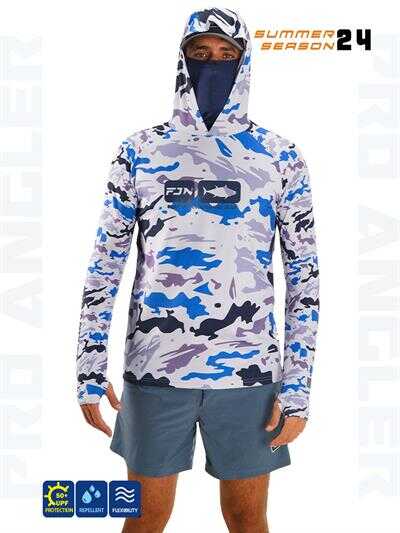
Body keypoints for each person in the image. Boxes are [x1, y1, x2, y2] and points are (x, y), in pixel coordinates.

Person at [76, 7, 320, 533]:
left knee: (247, 518)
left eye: (227, 55)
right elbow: (106, 264)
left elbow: (304, 277)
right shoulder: (140, 151)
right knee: (144, 517)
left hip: (249, 374)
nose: (213, 63)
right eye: (200, 53)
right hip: (155, 370)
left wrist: (298, 386)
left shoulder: (279, 157)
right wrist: (89, 368)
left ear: (244, 63)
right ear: (182, 61)